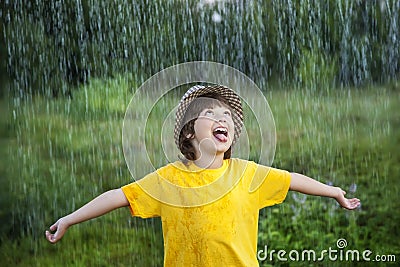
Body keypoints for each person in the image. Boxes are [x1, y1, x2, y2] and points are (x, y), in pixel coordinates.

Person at [45, 84, 360, 266]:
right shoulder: (169, 179)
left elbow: (292, 179)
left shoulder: (245, 173)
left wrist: (334, 193)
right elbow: (118, 196)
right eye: (209, 114)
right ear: (189, 134)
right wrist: (70, 218)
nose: (221, 117)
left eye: (226, 115)